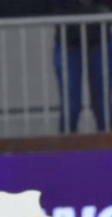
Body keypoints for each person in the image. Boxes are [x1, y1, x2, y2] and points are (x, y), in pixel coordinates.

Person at [52, 0, 112, 133]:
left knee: (104, 107)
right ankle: (66, 150)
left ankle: (107, 149)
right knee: (71, 107)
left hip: (100, 38)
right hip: (67, 41)